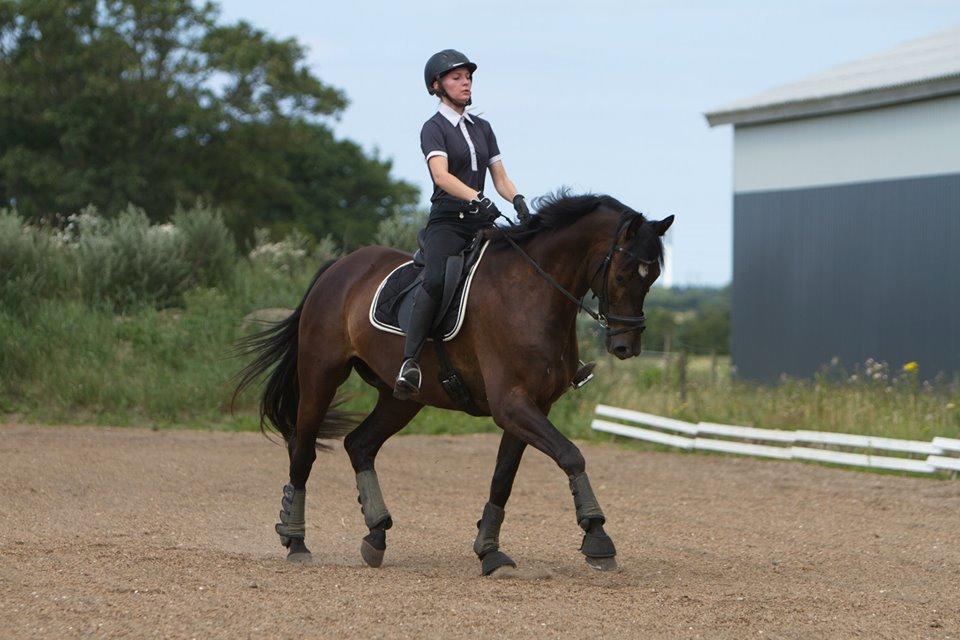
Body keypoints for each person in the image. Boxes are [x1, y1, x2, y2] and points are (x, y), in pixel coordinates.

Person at [393, 49, 531, 400]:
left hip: (480, 220)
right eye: (456, 77)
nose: (465, 81)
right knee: (436, 280)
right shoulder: (434, 128)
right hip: (448, 222)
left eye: (468, 76)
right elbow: (440, 176)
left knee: (522, 271)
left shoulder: (483, 128)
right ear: (436, 86)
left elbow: (500, 178)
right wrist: (475, 197)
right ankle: (409, 361)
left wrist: (516, 200)